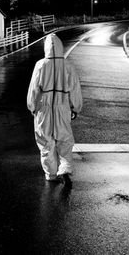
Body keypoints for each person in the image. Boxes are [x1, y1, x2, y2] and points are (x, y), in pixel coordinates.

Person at [26, 34, 83, 185]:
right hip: (62, 107)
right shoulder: (68, 66)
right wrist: (75, 107)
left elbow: (34, 89)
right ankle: (65, 166)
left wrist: (32, 107)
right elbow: (75, 89)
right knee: (64, 140)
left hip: (44, 109)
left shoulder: (40, 65)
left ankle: (51, 174)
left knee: (45, 142)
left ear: (46, 48)